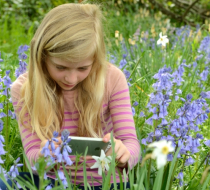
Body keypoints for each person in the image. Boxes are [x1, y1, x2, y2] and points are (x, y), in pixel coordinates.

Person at [10, 3, 140, 189]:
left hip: (106, 183)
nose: (71, 78)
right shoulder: (24, 89)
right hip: (50, 182)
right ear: (42, 56)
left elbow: (131, 143)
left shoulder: (112, 78)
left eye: (82, 68)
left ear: (95, 60)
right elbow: (32, 156)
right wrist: (44, 156)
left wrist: (123, 153)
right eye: (61, 67)